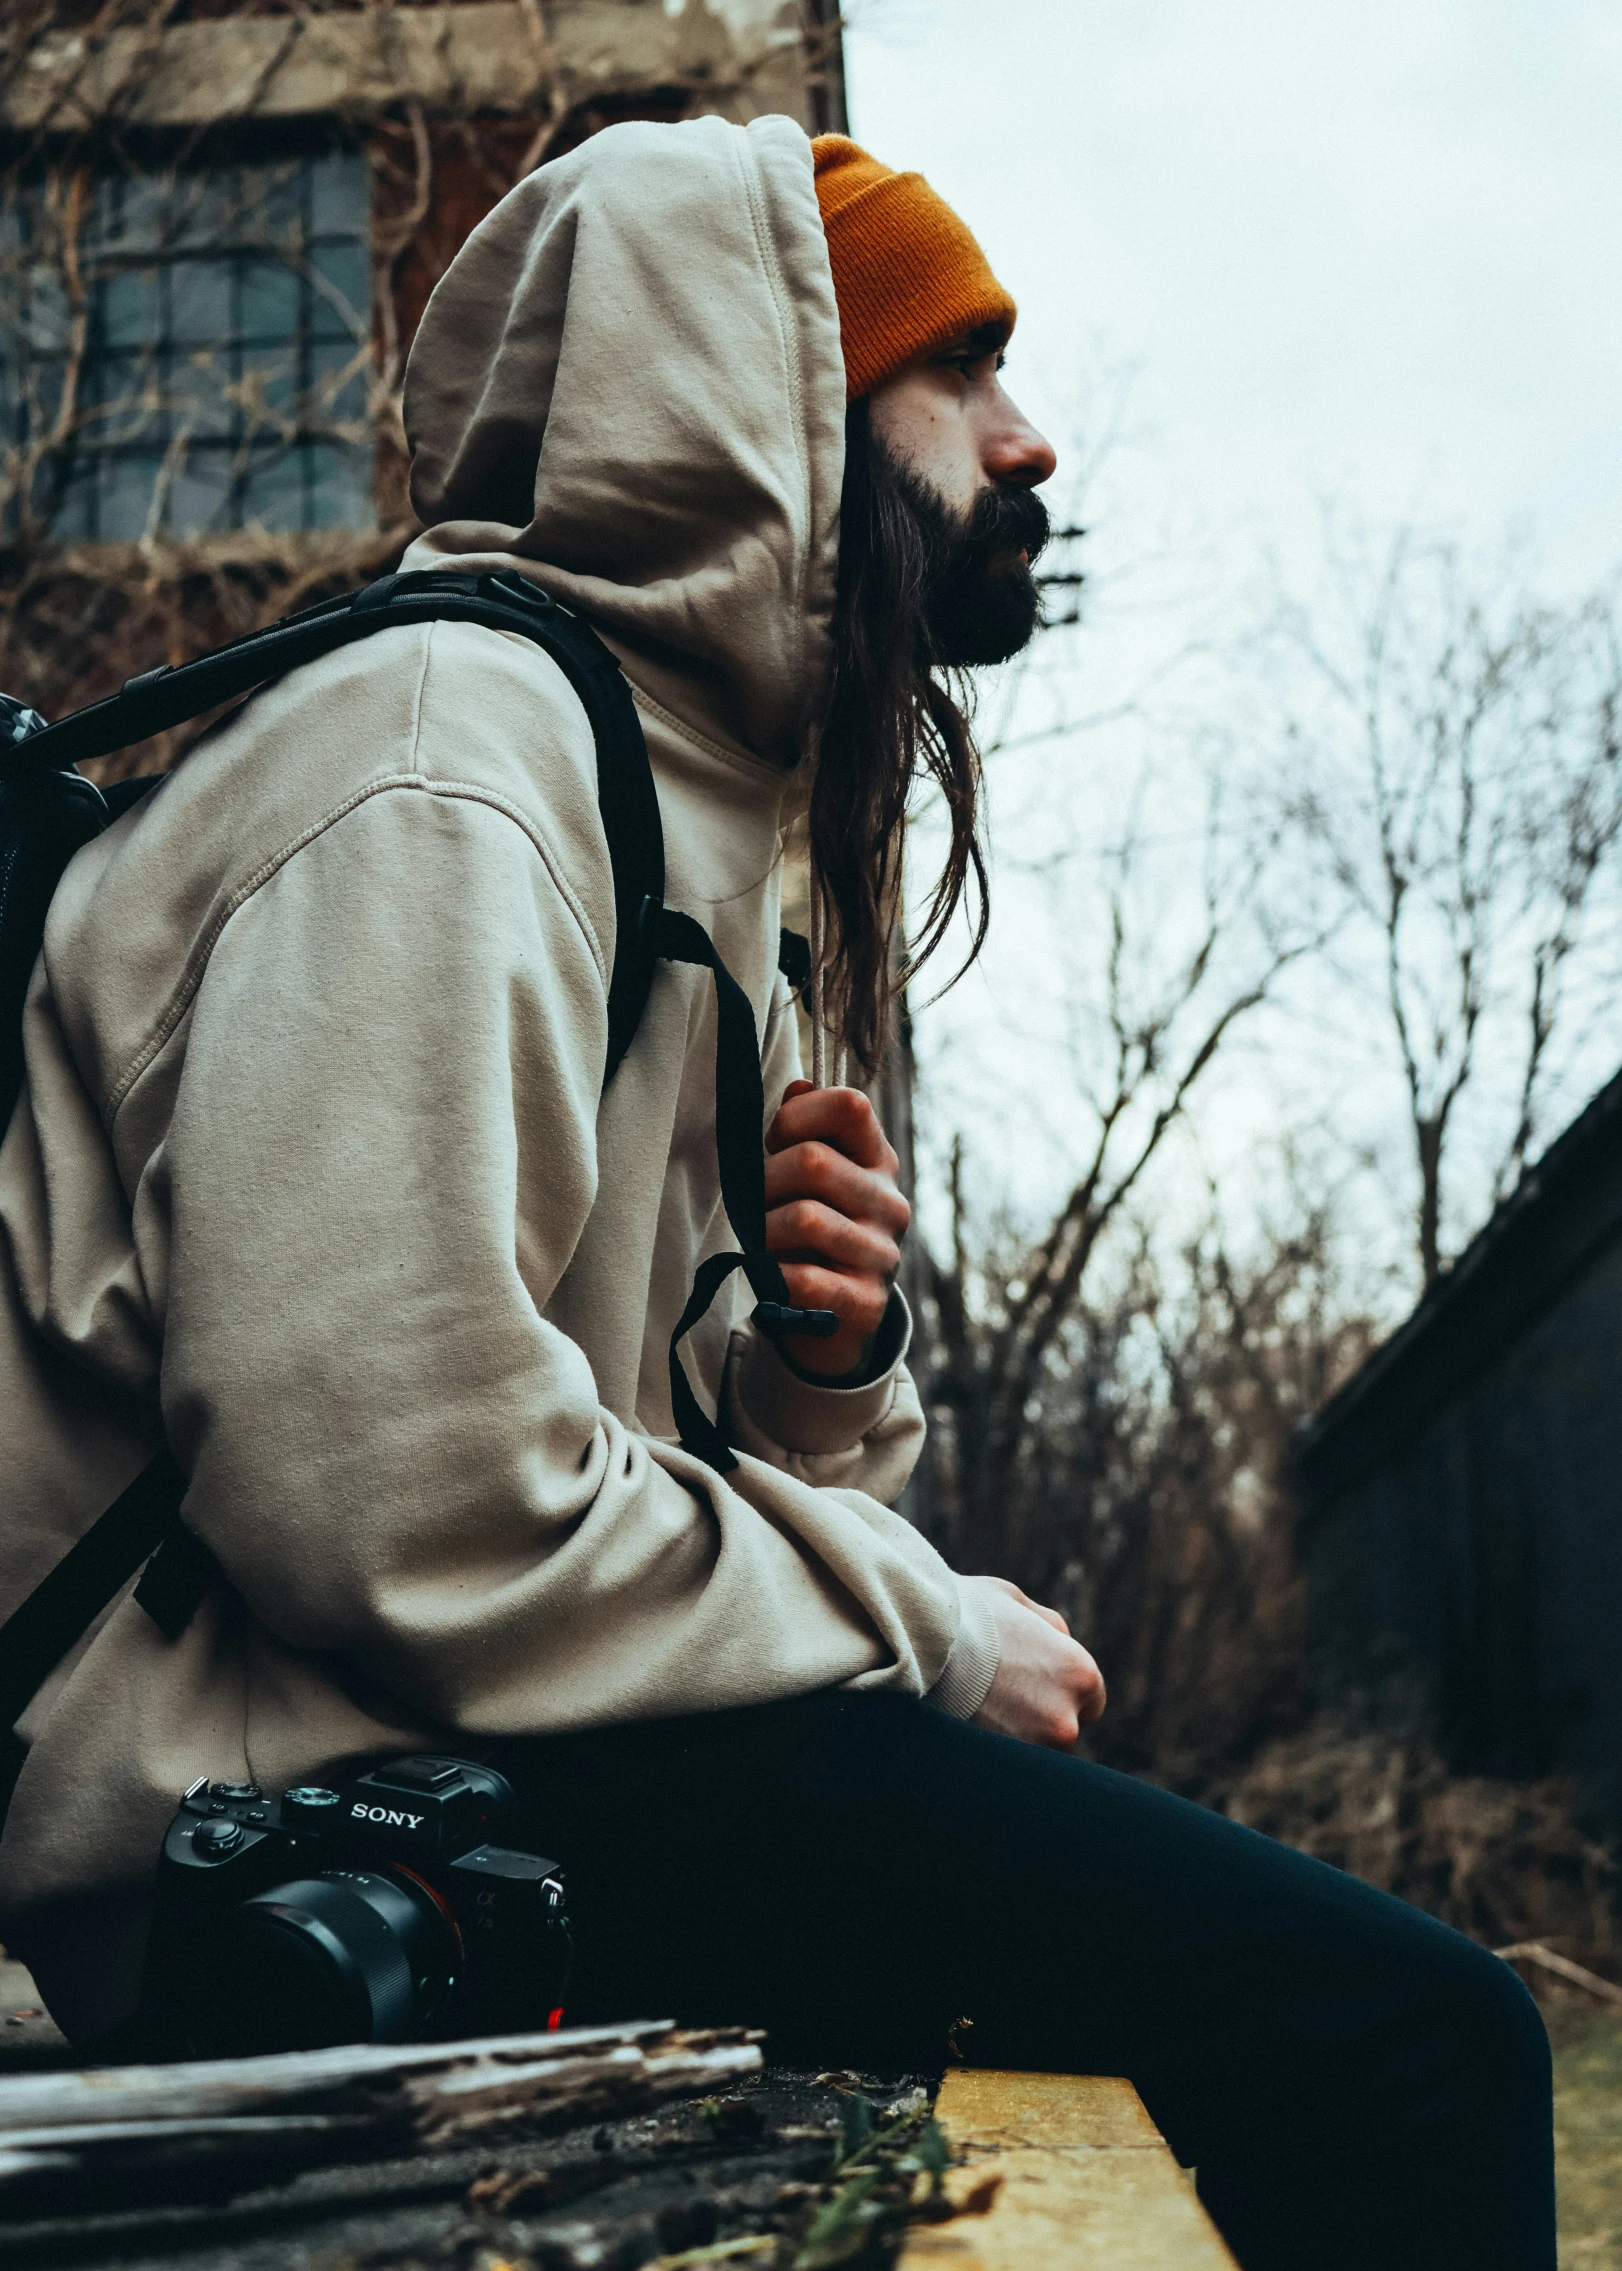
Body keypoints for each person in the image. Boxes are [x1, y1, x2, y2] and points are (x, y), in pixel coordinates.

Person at [0, 118, 1552, 2271]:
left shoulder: (702, 821)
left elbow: (600, 1475)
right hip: (261, 1833)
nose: (1024, 441)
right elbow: (398, 1501)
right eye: (960, 365)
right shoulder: (451, 760)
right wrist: (922, 1623)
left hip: (455, 1761)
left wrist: (811, 1365)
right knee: (1413, 2042)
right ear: (758, 378)